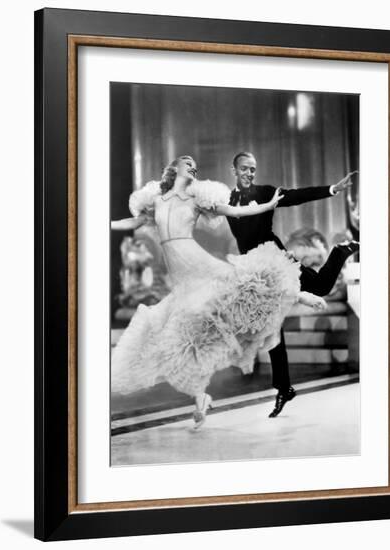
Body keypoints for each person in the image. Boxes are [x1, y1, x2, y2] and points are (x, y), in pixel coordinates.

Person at [111, 155, 327, 429]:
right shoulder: (157, 200)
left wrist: (267, 205)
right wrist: (104, 225)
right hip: (180, 277)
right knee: (184, 337)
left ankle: (297, 294)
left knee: (241, 284)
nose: (193, 166)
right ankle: (201, 397)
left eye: (195, 165)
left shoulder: (196, 200)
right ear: (175, 167)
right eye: (187, 162)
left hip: (196, 262)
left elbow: (234, 212)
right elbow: (133, 223)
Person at [226, 152, 359, 418]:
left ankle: (341, 252)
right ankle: (284, 387)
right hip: (254, 270)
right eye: (245, 169)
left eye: (253, 169)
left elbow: (297, 195)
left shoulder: (265, 192)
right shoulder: (227, 200)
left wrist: (333, 189)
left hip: (276, 262)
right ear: (234, 171)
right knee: (271, 325)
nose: (249, 173)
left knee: (320, 288)